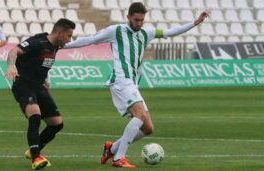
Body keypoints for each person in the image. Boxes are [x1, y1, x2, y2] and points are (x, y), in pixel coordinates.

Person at [65, 2, 209, 168]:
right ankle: (119, 158)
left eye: (142, 20)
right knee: (139, 115)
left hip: (132, 83)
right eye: (136, 20)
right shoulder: (116, 31)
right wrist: (63, 46)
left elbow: (170, 32)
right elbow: (91, 40)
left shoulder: (146, 33)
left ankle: (110, 149)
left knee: (148, 128)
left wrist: (195, 23)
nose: (139, 23)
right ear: (128, 17)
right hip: (121, 80)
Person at [4, 18, 75, 170]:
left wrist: (46, 80)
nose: (70, 40)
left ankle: (34, 149)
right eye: (69, 36)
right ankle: (36, 157)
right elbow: (14, 50)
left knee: (57, 124)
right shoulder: (38, 42)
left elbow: (43, 64)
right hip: (23, 84)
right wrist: (11, 66)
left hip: (39, 86)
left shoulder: (55, 46)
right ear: (60, 32)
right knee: (35, 116)